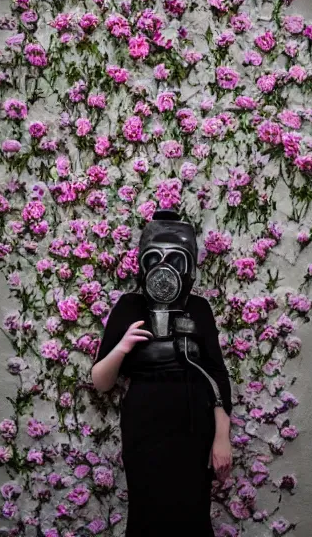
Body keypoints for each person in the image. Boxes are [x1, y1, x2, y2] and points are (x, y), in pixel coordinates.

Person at [91, 209, 233, 537]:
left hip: (193, 427)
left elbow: (217, 376)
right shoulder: (129, 306)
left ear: (190, 264)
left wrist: (222, 437)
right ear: (142, 262)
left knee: (193, 515)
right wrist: (123, 346)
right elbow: (100, 381)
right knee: (147, 514)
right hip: (145, 428)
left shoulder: (198, 308)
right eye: (155, 257)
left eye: (175, 258)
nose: (164, 267)